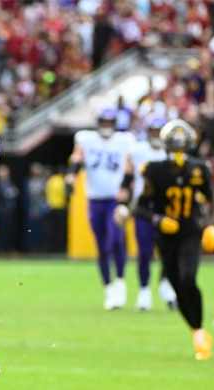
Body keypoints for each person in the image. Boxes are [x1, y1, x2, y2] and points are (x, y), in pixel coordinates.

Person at [135, 119, 214, 361]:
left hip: (190, 231)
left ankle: (199, 332)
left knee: (187, 278)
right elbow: (140, 206)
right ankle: (197, 329)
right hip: (166, 235)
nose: (178, 150)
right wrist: (157, 220)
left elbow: (212, 198)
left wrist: (210, 225)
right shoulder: (155, 169)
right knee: (176, 284)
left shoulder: (198, 169)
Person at [67, 108, 135, 310]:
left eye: (109, 122)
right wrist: (72, 175)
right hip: (95, 199)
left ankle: (120, 281)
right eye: (103, 122)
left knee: (115, 239)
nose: (106, 126)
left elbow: (129, 166)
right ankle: (109, 287)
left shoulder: (124, 140)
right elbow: (77, 158)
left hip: (115, 198)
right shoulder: (86, 139)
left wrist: (125, 187)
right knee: (102, 245)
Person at [127, 117, 176, 310]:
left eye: (159, 132)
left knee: (169, 251)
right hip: (144, 208)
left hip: (167, 209)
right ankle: (144, 290)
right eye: (153, 131)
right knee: (145, 251)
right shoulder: (138, 151)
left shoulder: (172, 154)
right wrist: (124, 201)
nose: (155, 135)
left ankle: (165, 283)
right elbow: (128, 174)